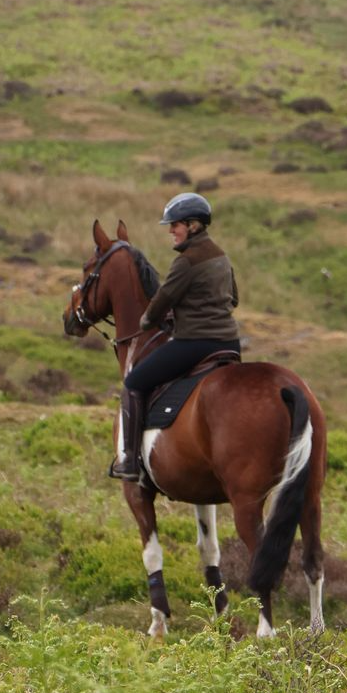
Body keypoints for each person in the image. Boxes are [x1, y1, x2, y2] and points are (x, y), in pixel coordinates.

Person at [109, 192, 241, 481]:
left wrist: (146, 321)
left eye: (175, 225)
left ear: (193, 225)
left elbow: (161, 302)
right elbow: (233, 300)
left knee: (133, 383)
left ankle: (129, 462)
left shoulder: (186, 262)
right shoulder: (221, 256)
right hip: (230, 344)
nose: (170, 230)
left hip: (195, 343)